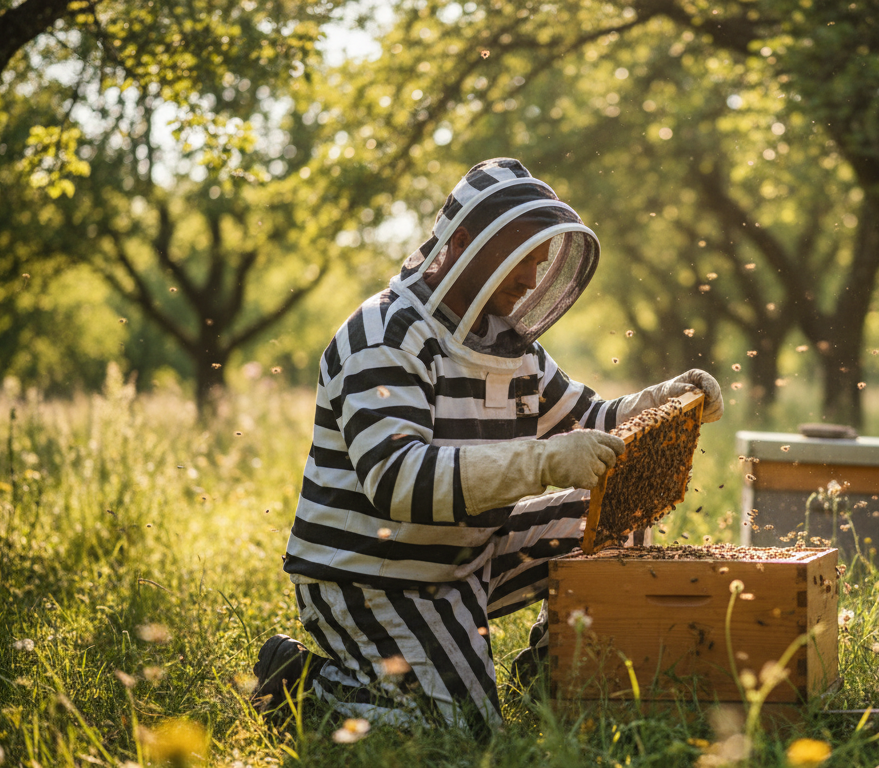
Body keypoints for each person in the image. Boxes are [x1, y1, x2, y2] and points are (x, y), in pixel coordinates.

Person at [251, 158, 723, 732]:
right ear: (467, 244)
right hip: (372, 573)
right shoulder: (383, 334)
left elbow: (589, 420)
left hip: (470, 557)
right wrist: (544, 461)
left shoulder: (509, 343)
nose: (531, 278)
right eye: (522, 259)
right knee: (461, 735)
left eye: (540, 262)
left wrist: (659, 402)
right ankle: (302, 684)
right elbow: (401, 482)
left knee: (618, 507)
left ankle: (558, 673)